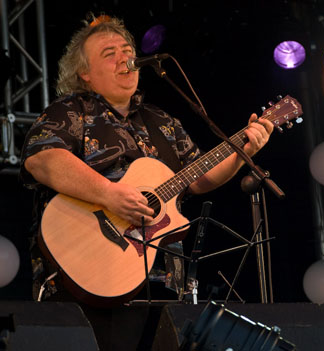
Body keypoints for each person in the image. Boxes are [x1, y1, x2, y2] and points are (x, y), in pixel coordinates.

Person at [19, 14, 273, 350]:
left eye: (127, 50)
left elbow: (200, 177)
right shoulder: (69, 111)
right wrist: (109, 194)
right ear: (85, 74)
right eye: (109, 53)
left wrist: (243, 149)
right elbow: (43, 159)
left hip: (162, 283)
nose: (125, 57)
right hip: (89, 278)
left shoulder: (162, 121)